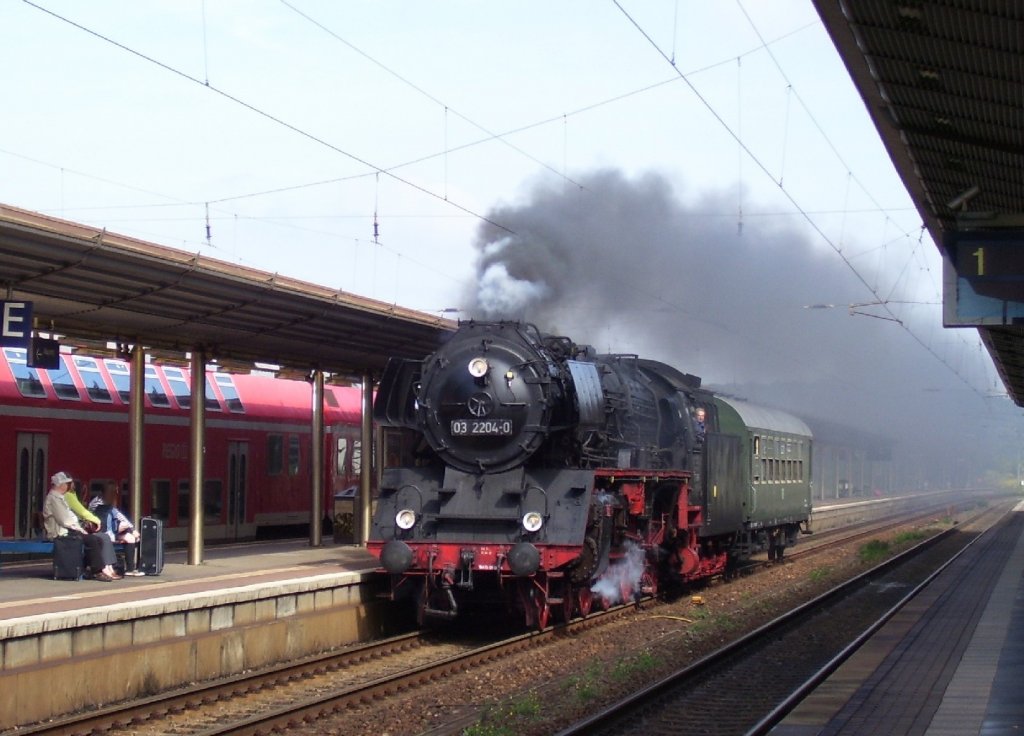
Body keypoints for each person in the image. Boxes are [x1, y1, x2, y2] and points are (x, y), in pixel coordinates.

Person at [42, 471, 121, 582]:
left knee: (97, 540)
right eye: (67, 484)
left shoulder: (59, 497)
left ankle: (87, 568)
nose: (68, 486)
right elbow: (65, 520)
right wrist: (80, 529)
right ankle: (97, 571)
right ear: (61, 485)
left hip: (67, 531)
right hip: (61, 533)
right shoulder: (54, 499)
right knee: (92, 540)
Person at [89, 481, 144, 576]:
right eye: (114, 491)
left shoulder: (110, 502)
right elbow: (107, 518)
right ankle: (109, 566)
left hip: (111, 530)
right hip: (101, 530)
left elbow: (119, 516)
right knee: (123, 527)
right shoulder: (97, 503)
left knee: (130, 538)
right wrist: (129, 529)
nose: (116, 493)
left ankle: (130, 569)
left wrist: (132, 530)